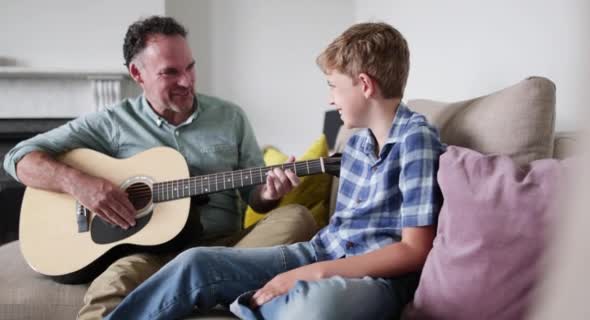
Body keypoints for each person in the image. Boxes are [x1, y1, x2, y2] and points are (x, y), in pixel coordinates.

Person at [104, 21, 446, 320]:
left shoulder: (416, 140)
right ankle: (253, 298)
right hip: (319, 253)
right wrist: (304, 269)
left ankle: (246, 301)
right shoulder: (356, 144)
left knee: (317, 308)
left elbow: (414, 250)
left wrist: (309, 275)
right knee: (196, 262)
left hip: (374, 280)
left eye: (333, 86)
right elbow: (337, 234)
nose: (331, 99)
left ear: (365, 85)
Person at [2, 16, 317, 319]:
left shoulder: (230, 117)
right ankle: (210, 288)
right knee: (111, 286)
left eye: (190, 67)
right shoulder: (112, 122)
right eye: (170, 72)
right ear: (138, 75)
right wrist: (79, 184)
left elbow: (256, 198)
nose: (186, 81)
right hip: (151, 253)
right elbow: (17, 157)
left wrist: (270, 192)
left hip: (226, 246)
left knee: (297, 217)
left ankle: (196, 283)